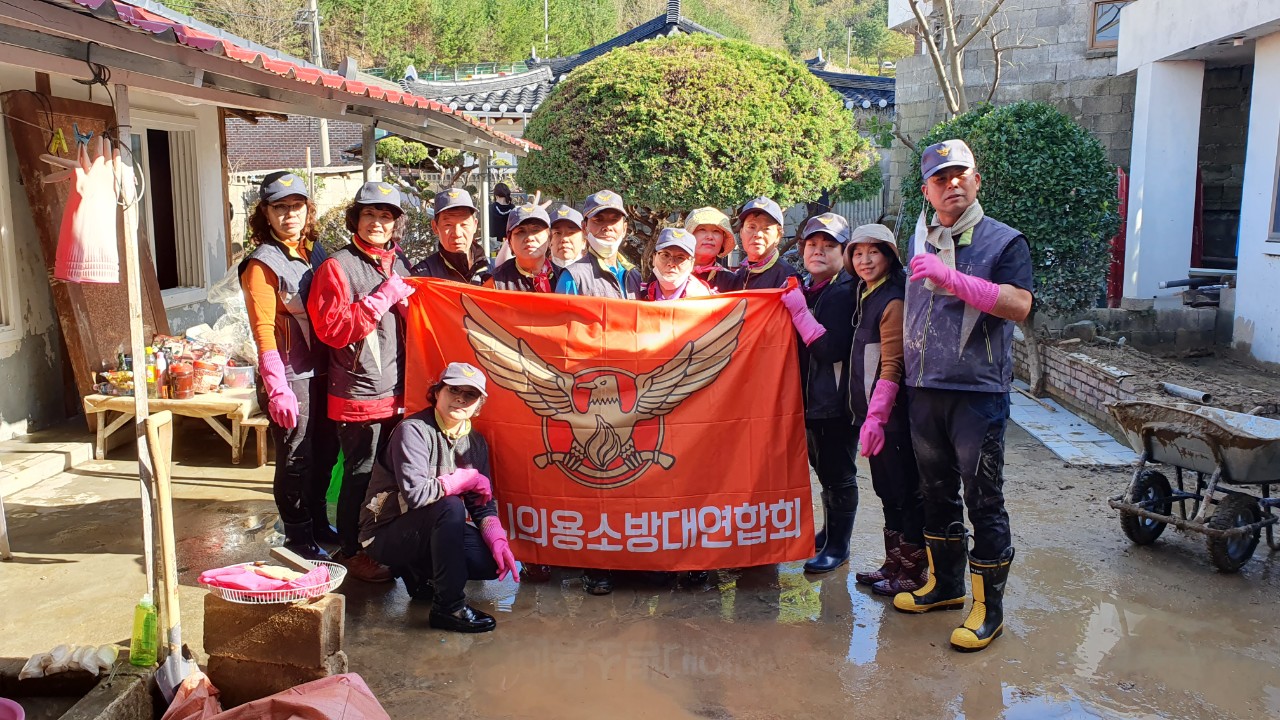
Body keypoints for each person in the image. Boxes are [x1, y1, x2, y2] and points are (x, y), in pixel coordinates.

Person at [891, 139, 1034, 653]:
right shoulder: (919, 240)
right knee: (935, 491)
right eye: (940, 178)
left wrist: (953, 279)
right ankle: (946, 585)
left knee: (983, 497)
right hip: (924, 388)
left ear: (977, 180)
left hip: (976, 392)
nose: (951, 184)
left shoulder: (1004, 242)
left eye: (960, 175)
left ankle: (988, 609)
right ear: (926, 191)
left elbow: (1019, 304)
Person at [307, 181, 415, 583]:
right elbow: (331, 330)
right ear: (356, 218)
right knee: (360, 473)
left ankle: (375, 541)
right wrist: (380, 299)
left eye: (386, 216)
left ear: (395, 224)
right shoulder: (337, 266)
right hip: (358, 391)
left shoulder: (397, 262)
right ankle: (351, 550)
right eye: (369, 214)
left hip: (397, 389)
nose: (377, 223)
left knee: (388, 474)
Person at [359, 362, 518, 633]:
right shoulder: (413, 430)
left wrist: (496, 537)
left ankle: (421, 575)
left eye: (470, 394)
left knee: (490, 562)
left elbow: (481, 504)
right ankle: (449, 607)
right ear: (436, 392)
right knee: (450, 507)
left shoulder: (476, 442)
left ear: (478, 405)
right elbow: (416, 494)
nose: (460, 398)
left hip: (427, 527)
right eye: (453, 389)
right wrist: (463, 479)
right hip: (384, 534)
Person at [238, 172, 339, 561]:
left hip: (325, 371)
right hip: (290, 376)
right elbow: (263, 329)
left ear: (308, 209)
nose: (289, 214)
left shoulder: (316, 251)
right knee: (297, 457)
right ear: (265, 213)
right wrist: (275, 385)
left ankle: (317, 522)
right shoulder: (262, 264)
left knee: (326, 452)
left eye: (296, 205)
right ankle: (298, 535)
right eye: (279, 207)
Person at [844, 224, 927, 596]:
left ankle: (914, 571)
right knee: (886, 491)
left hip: (891, 418)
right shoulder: (866, 293)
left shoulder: (893, 299)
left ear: (890, 256)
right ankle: (892, 564)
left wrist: (878, 417)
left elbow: (892, 364)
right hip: (871, 417)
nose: (865, 260)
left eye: (873, 252)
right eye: (858, 253)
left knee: (905, 492)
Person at [777, 213, 858, 573]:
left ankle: (839, 546)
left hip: (837, 403)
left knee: (839, 473)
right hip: (810, 400)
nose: (819, 251)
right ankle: (829, 533)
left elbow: (830, 349)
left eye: (829, 245)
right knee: (823, 469)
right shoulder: (809, 288)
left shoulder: (845, 292)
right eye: (812, 244)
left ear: (844, 252)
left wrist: (797, 310)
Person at [555, 189, 641, 299]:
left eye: (614, 220)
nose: (607, 227)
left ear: (624, 229)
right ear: (584, 228)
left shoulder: (634, 276)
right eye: (598, 220)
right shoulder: (572, 277)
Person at [413, 188, 490, 285]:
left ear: (475, 225)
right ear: (435, 227)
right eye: (448, 225)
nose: (457, 234)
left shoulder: (494, 270)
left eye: (464, 224)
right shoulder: (423, 276)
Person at [729, 197, 800, 290]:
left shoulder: (788, 279)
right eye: (751, 227)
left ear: (778, 236)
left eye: (766, 228)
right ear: (741, 232)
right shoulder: (738, 275)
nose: (758, 234)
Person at [484, 203, 557, 292]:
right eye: (521, 231)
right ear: (510, 241)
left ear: (549, 238)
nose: (529, 238)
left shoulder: (564, 278)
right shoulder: (496, 284)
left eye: (536, 230)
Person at [642, 228, 715, 300]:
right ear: (654, 259)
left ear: (691, 264)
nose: (671, 263)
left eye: (680, 258)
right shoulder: (641, 294)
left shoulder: (701, 300)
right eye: (665, 255)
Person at [684, 207, 738, 292]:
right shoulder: (671, 274)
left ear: (723, 240)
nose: (710, 237)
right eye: (702, 229)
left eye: (716, 231)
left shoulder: (732, 281)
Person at [548, 205, 587, 270]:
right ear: (549, 242)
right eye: (557, 233)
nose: (564, 239)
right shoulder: (538, 273)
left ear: (584, 242)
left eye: (571, 233)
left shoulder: (594, 273)